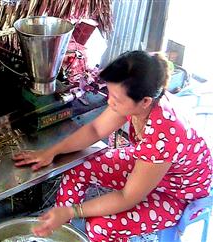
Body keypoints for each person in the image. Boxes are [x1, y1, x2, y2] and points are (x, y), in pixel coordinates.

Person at [12, 50, 212, 241]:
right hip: (149, 167)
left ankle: (66, 218)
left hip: (177, 192)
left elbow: (127, 197)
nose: (109, 102)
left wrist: (74, 210)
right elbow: (95, 130)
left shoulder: (164, 134)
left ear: (145, 101)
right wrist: (52, 151)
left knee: (100, 226)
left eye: (116, 99)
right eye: (109, 93)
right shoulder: (140, 91)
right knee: (78, 165)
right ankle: (61, 232)